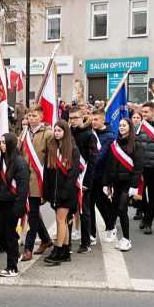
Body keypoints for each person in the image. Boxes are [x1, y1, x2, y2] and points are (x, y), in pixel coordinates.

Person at [103, 118, 143, 251]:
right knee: (114, 208)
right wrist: (106, 183)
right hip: (116, 183)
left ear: (130, 127)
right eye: (120, 125)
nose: (121, 127)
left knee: (122, 209)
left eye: (124, 125)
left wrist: (134, 186)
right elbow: (108, 165)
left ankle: (126, 239)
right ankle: (112, 229)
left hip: (128, 184)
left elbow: (138, 167)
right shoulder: (114, 144)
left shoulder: (136, 144)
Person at [43, 120, 80, 264]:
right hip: (54, 192)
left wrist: (65, 192)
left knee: (60, 220)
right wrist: (46, 191)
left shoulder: (72, 149)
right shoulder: (52, 147)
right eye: (55, 130)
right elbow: (48, 171)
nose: (57, 133)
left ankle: (58, 251)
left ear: (65, 132)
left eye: (59, 130)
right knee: (62, 221)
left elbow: (73, 174)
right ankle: (65, 251)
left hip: (67, 193)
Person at [19, 105, 53, 261]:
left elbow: (52, 158)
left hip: (38, 180)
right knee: (31, 212)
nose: (31, 118)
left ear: (41, 117)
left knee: (32, 214)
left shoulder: (48, 134)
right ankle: (45, 239)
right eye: (29, 116)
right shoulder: (24, 133)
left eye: (34, 116)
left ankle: (28, 248)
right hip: (23, 179)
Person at [0, 133, 29, 277]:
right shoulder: (1, 159)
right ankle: (14, 254)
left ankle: (12, 267)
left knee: (10, 235)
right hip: (1, 202)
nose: (1, 145)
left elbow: (23, 187)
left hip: (13, 204)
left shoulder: (19, 162)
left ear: (10, 144)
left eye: (3, 142)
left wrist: (19, 208)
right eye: (0, 142)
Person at [69, 107, 98, 254]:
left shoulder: (89, 135)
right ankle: (65, 242)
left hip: (83, 178)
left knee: (84, 211)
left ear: (82, 117)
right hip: (69, 178)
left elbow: (93, 161)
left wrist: (86, 182)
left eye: (75, 117)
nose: (73, 120)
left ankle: (85, 242)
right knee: (68, 210)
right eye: (71, 118)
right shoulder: (68, 133)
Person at [90, 109, 116, 243]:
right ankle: (91, 234)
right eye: (92, 119)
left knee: (102, 204)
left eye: (96, 120)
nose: (93, 122)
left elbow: (100, 157)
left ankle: (111, 227)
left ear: (102, 119)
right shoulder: (90, 133)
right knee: (89, 205)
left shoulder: (109, 136)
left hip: (102, 176)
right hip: (89, 175)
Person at [137, 101, 154, 234]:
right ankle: (145, 216)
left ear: (153, 112)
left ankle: (148, 222)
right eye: (142, 112)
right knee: (141, 195)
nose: (143, 115)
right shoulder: (140, 126)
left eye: (146, 112)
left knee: (153, 195)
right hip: (142, 167)